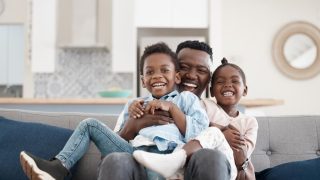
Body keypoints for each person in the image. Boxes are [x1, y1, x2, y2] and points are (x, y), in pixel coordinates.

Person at [19, 42, 209, 180]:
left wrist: (173, 109)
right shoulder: (135, 104)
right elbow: (116, 143)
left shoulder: (186, 99)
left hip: (166, 157)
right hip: (133, 153)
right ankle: (57, 168)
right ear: (143, 80)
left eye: (164, 70)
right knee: (89, 124)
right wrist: (133, 124)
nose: (157, 75)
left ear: (176, 76)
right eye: (150, 72)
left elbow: (200, 134)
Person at [98, 40, 234, 180]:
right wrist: (133, 126)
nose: (191, 75)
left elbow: (238, 163)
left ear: (209, 79)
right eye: (183, 67)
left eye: (201, 70)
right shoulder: (138, 106)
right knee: (115, 160)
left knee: (211, 156)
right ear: (175, 71)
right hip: (142, 170)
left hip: (194, 171)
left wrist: (218, 131)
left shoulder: (219, 114)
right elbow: (109, 153)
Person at [131, 58, 258, 180]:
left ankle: (175, 160)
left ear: (245, 90)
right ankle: (175, 167)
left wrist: (220, 132)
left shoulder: (249, 122)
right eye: (220, 82)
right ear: (211, 91)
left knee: (214, 133)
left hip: (227, 166)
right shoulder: (203, 105)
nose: (228, 85)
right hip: (196, 163)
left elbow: (242, 155)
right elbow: (193, 126)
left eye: (235, 81)